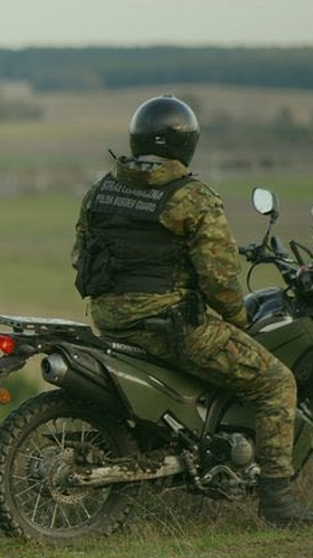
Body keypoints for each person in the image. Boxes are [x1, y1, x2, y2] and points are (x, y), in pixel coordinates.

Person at [72, 96, 313, 525]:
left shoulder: (102, 189)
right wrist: (239, 320)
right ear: (187, 143)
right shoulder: (192, 197)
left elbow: (82, 256)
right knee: (276, 382)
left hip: (109, 321)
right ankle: (278, 501)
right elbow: (220, 280)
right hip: (171, 328)